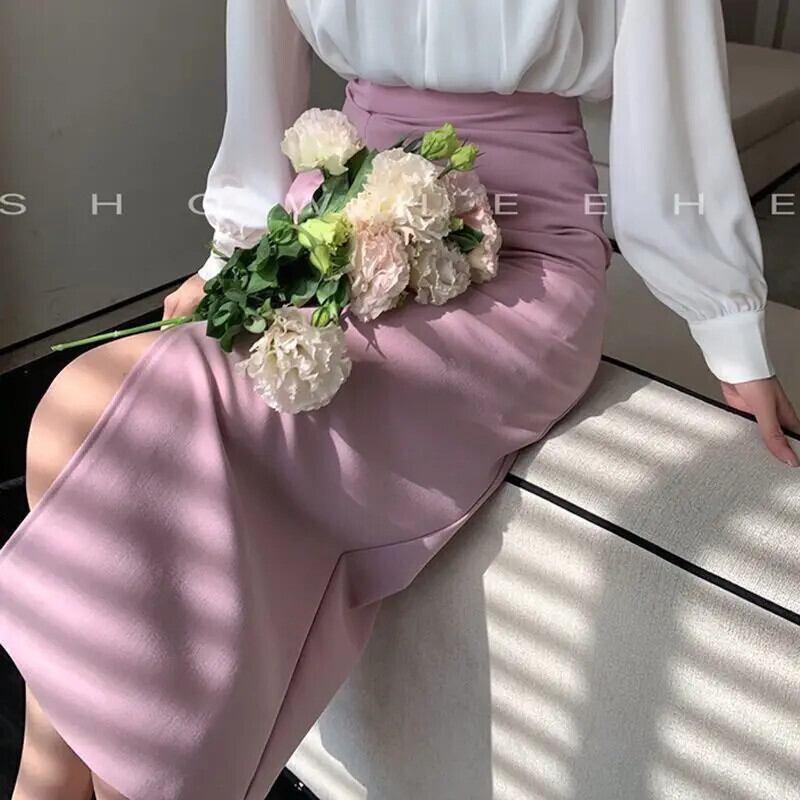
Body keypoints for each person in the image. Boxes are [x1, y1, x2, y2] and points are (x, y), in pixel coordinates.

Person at [2, 1, 798, 798]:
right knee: (73, 414)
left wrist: (727, 325)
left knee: (115, 413)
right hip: (330, 217)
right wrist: (232, 249)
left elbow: (672, 94)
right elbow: (261, 75)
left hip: (524, 258)